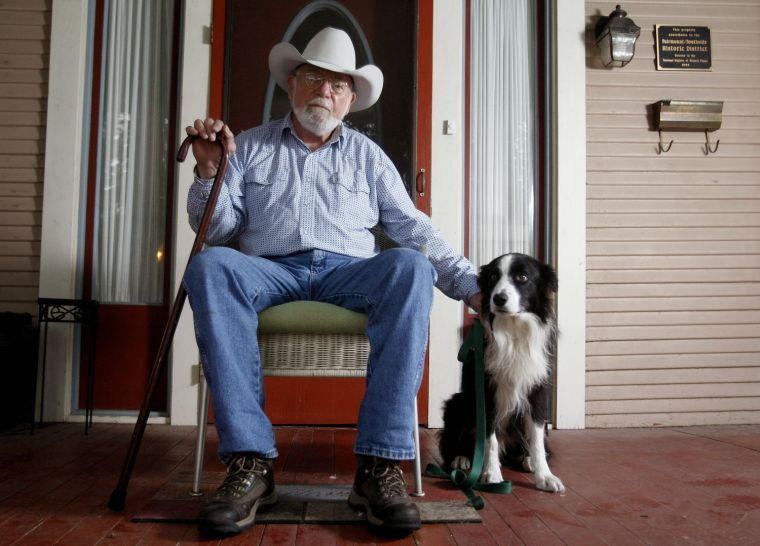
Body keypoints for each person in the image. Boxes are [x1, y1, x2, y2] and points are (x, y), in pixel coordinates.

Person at [183, 27, 481, 537]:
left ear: (350, 101)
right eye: (314, 79)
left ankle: (378, 466)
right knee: (209, 265)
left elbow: (414, 227)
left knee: (410, 265)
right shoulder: (248, 146)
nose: (325, 91)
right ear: (292, 85)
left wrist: (469, 282)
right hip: (271, 269)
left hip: (350, 273)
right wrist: (210, 171)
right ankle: (251, 463)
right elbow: (215, 229)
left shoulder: (368, 156)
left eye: (338, 85)